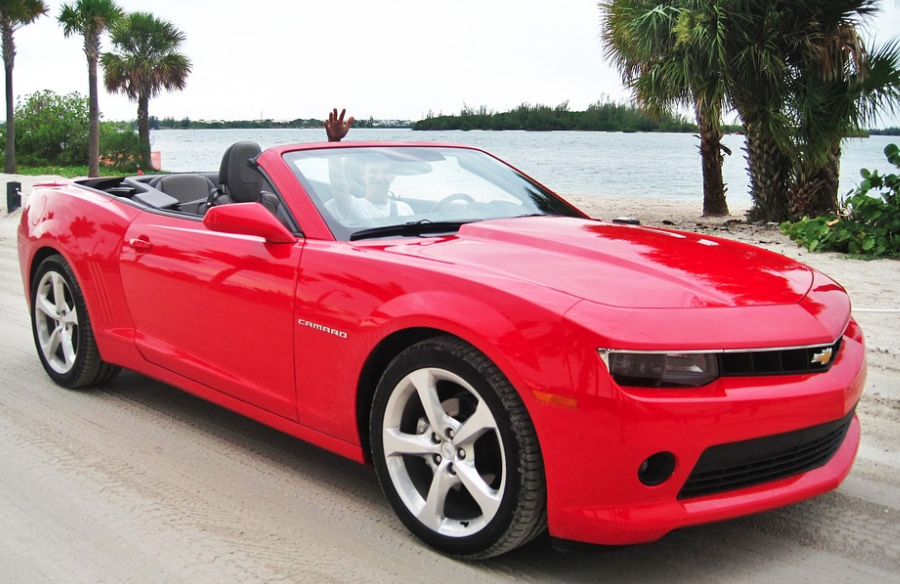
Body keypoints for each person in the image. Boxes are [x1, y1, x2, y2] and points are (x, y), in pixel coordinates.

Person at [323, 108, 414, 223]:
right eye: (374, 171)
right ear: (363, 174)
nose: (379, 177)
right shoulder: (354, 206)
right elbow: (338, 185)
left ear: (393, 176)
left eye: (385, 172)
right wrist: (334, 143)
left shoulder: (405, 209)